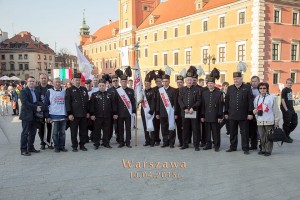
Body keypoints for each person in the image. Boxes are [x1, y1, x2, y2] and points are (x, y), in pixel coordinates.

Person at [225, 72, 254, 155]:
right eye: (234, 79)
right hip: (232, 114)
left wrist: (250, 113)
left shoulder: (247, 88)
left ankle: (245, 148)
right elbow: (227, 101)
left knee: (244, 132)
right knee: (232, 132)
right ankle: (233, 147)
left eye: (237, 79)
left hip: (244, 115)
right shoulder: (230, 88)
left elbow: (250, 101)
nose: (236, 80)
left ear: (241, 79)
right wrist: (226, 112)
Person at [253, 82, 280, 156]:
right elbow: (255, 108)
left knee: (269, 136)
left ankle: (268, 150)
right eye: (260, 88)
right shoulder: (257, 98)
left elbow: (276, 110)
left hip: (269, 120)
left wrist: (276, 121)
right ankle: (263, 149)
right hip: (260, 120)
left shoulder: (272, 97)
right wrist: (255, 113)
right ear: (258, 89)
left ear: (267, 88)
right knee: (262, 136)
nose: (262, 90)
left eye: (264, 88)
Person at [65, 73, 90, 152]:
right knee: (74, 132)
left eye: (79, 80)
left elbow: (87, 102)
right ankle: (74, 146)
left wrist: (88, 112)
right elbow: (67, 102)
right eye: (76, 80)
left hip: (83, 114)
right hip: (74, 115)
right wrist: (69, 114)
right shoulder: (69, 90)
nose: (78, 81)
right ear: (72, 81)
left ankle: (82, 145)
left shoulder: (84, 89)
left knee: (83, 131)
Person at [90, 79, 117, 149]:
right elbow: (92, 106)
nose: (102, 87)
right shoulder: (94, 95)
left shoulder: (110, 95)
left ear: (105, 86)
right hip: (97, 116)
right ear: (98, 86)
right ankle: (96, 144)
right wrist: (92, 114)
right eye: (100, 86)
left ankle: (106, 143)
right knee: (97, 131)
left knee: (107, 130)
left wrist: (115, 113)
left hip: (107, 116)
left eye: (103, 85)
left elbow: (113, 105)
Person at [19, 76, 42, 156]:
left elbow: (37, 101)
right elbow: (25, 103)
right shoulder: (23, 91)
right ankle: (23, 150)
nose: (32, 82)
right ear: (27, 82)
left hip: (34, 116)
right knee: (25, 133)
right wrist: (36, 107)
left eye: (33, 81)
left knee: (33, 132)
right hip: (26, 115)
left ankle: (31, 147)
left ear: (35, 83)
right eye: (30, 81)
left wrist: (42, 106)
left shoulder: (35, 91)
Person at [178, 72, 201, 151]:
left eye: (191, 80)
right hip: (185, 113)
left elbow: (199, 101)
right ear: (185, 81)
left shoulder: (197, 89)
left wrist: (193, 108)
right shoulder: (182, 89)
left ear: (193, 80)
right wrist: (184, 108)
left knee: (195, 129)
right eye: (188, 80)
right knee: (185, 129)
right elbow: (180, 100)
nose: (189, 81)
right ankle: (185, 144)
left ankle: (196, 145)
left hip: (193, 113)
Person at [44, 78, 68, 153]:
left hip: (63, 115)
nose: (57, 84)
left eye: (59, 82)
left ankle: (62, 146)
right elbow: (46, 104)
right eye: (56, 82)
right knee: (54, 133)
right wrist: (47, 116)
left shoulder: (64, 91)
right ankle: (56, 146)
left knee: (62, 132)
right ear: (53, 83)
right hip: (53, 116)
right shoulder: (49, 91)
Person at [201, 77, 223, 152]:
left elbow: (220, 105)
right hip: (207, 115)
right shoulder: (204, 93)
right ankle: (208, 144)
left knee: (215, 132)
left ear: (214, 84)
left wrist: (220, 116)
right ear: (207, 84)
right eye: (209, 83)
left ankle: (216, 145)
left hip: (215, 116)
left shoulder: (219, 93)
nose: (210, 85)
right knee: (207, 131)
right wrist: (202, 116)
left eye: (211, 83)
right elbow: (203, 106)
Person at [156, 74, 178, 148]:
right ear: (162, 82)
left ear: (169, 81)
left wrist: (176, 113)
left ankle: (172, 143)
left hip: (171, 113)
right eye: (164, 81)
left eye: (166, 81)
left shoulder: (174, 90)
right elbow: (158, 102)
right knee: (164, 128)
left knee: (171, 127)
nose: (165, 83)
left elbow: (175, 102)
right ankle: (165, 142)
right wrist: (157, 112)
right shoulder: (160, 90)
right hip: (162, 113)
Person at [115, 75, 136, 148]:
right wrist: (115, 113)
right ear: (120, 82)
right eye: (122, 81)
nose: (124, 83)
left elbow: (133, 102)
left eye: (125, 81)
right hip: (120, 113)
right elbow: (115, 103)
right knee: (120, 128)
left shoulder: (131, 91)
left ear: (127, 82)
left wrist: (134, 111)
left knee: (128, 128)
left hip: (128, 113)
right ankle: (121, 142)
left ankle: (128, 142)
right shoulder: (118, 91)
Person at [35, 73, 53, 150]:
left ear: (47, 79)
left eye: (44, 78)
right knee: (41, 128)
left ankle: (49, 142)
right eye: (42, 78)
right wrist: (42, 106)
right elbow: (35, 100)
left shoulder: (51, 88)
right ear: (39, 79)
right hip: (40, 112)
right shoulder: (36, 89)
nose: (43, 79)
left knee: (50, 128)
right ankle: (43, 142)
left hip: (50, 111)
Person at [280, 78, 298, 143]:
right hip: (286, 109)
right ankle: (285, 137)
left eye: (291, 83)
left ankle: (286, 134)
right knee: (286, 123)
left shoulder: (290, 89)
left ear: (292, 83)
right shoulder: (284, 90)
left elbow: (290, 99)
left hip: (291, 108)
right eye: (288, 83)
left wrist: (291, 108)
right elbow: (282, 100)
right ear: (286, 83)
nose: (290, 84)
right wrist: (286, 110)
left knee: (294, 122)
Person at [141, 75, 156, 146]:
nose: (146, 85)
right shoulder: (142, 92)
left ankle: (152, 141)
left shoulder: (153, 91)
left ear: (150, 84)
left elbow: (154, 102)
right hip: (143, 112)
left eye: (148, 83)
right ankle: (147, 141)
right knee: (145, 127)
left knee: (152, 127)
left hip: (151, 112)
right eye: (145, 83)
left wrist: (151, 112)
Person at [107, 74, 121, 143]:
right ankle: (108, 139)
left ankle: (119, 138)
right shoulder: (109, 90)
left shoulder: (121, 89)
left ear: (118, 81)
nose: (115, 82)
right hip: (110, 111)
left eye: (116, 81)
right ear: (112, 82)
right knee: (109, 126)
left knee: (118, 126)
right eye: (113, 81)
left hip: (119, 111)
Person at [249, 76, 260, 150]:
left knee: (260, 130)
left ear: (258, 82)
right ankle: (253, 145)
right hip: (251, 111)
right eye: (252, 81)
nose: (254, 83)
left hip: (260, 112)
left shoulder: (262, 89)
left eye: (255, 81)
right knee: (252, 129)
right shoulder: (248, 90)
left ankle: (262, 145)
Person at [152, 73, 163, 146]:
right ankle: (157, 140)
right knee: (156, 127)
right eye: (157, 81)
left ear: (162, 81)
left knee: (165, 126)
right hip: (155, 111)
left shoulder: (164, 88)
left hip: (164, 111)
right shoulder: (153, 89)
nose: (158, 82)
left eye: (159, 81)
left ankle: (166, 140)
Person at [175, 75, 184, 147]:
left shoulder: (186, 90)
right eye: (178, 82)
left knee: (186, 128)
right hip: (178, 113)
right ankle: (181, 141)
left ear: (183, 82)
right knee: (179, 128)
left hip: (185, 112)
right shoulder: (175, 91)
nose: (179, 83)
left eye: (180, 82)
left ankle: (186, 141)